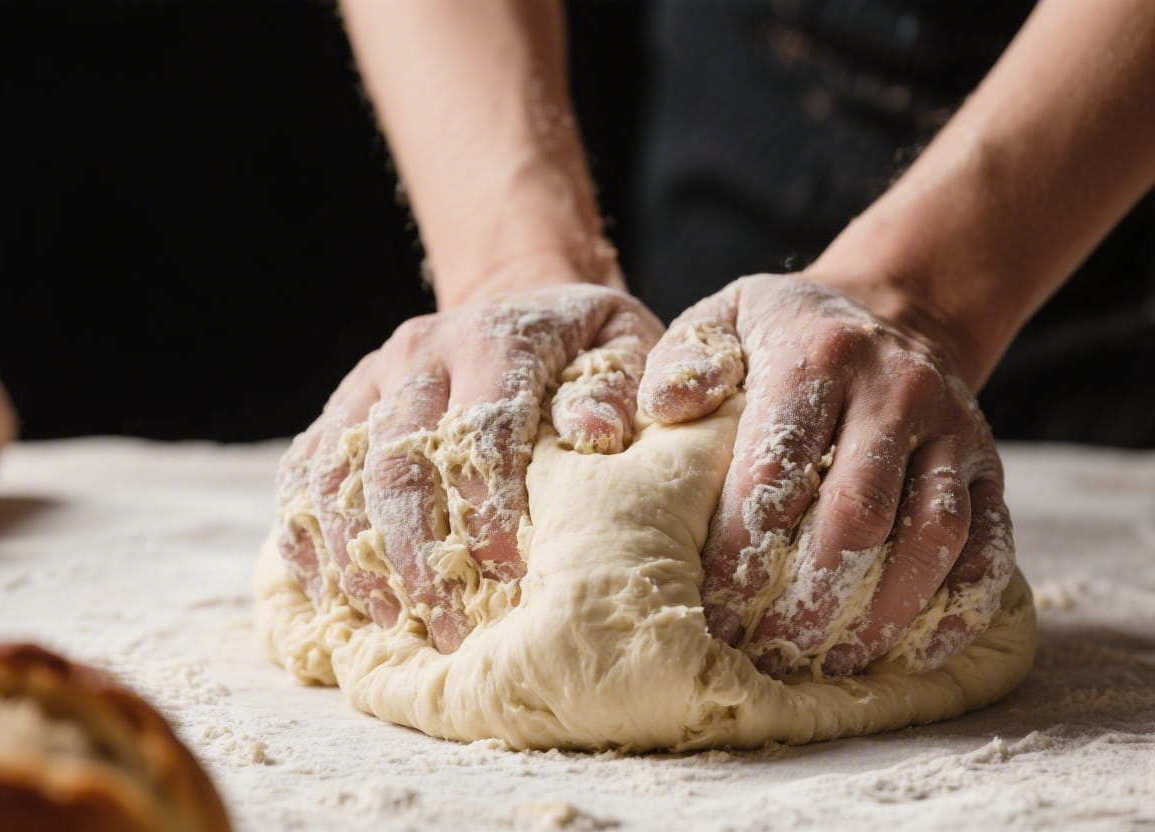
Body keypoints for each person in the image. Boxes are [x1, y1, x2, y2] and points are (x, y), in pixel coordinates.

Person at [286, 0, 1155, 675]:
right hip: (759, 96)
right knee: (728, 464)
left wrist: (924, 294)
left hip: (1113, 178)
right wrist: (514, 266)